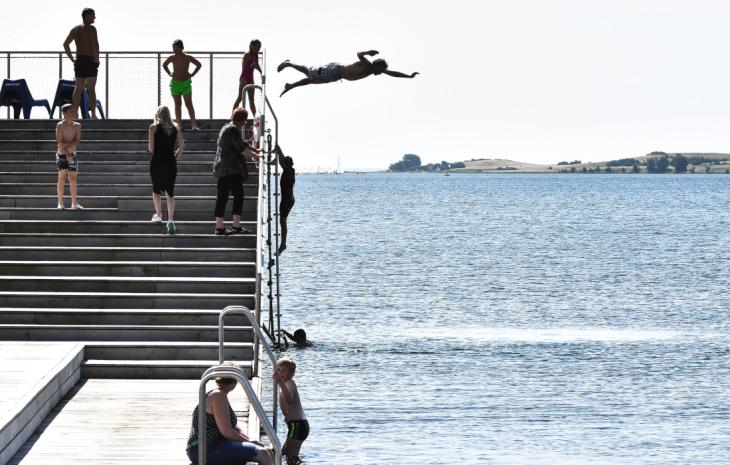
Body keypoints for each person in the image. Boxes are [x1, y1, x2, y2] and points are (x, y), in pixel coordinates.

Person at [186, 362, 273, 465]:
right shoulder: (218, 396)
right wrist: (251, 442)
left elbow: (233, 427)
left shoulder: (220, 394)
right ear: (235, 381)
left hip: (212, 445)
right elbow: (226, 431)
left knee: (267, 451)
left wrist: (251, 440)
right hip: (203, 448)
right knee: (263, 453)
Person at [277, 49, 419, 96]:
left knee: (312, 80)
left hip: (337, 76)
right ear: (376, 66)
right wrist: (368, 52)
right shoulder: (367, 64)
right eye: (380, 70)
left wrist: (408, 76)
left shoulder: (373, 71)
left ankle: (290, 85)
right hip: (335, 70)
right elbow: (359, 54)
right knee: (310, 74)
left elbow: (393, 73)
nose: (381, 73)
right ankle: (288, 64)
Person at [213, 108, 260, 235]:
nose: (244, 124)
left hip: (222, 169)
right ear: (241, 120)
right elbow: (240, 148)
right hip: (231, 169)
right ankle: (236, 225)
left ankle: (219, 227)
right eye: (244, 121)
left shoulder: (226, 127)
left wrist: (255, 151)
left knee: (222, 198)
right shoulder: (233, 129)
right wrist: (256, 156)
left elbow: (241, 143)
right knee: (239, 196)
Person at [148, 105, 185, 234]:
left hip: (157, 161)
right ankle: (170, 220)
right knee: (170, 192)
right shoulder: (175, 128)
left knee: (156, 190)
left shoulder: (153, 127)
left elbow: (151, 149)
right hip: (170, 162)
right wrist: (175, 156)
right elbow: (182, 146)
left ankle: (158, 215)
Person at [63, 8, 100, 118]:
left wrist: (73, 59)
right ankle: (93, 114)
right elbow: (95, 45)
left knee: (78, 88)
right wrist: (97, 59)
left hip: (79, 60)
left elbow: (65, 44)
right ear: (86, 16)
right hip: (89, 60)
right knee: (91, 88)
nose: (94, 17)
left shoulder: (75, 29)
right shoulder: (92, 28)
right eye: (93, 15)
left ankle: (74, 114)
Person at [273, 356, 309, 465]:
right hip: (295, 425)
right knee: (284, 453)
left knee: (291, 456)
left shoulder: (289, 383)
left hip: (297, 425)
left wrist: (280, 382)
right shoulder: (285, 383)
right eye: (279, 370)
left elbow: (289, 400)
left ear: (291, 372)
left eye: (284, 370)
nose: (281, 373)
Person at [163, 39, 202, 131]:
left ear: (181, 48)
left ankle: (194, 125)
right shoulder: (172, 57)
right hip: (175, 84)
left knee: (188, 104)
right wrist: (169, 73)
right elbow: (164, 65)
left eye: (176, 48)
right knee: (177, 105)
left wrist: (192, 74)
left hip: (185, 83)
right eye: (173, 48)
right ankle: (179, 126)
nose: (174, 50)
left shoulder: (187, 57)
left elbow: (199, 65)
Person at [55, 104, 82, 209]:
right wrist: (67, 152)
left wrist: (70, 151)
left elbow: (77, 140)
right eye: (71, 111)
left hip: (73, 154)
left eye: (73, 110)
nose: (73, 112)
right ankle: (60, 203)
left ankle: (74, 203)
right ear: (64, 113)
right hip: (62, 154)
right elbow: (59, 142)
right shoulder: (60, 125)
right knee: (61, 178)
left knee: (73, 178)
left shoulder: (77, 126)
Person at [274, 145, 295, 255]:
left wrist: (278, 150)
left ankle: (283, 243)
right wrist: (278, 150)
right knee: (282, 221)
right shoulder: (290, 170)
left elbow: (281, 160)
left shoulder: (287, 171)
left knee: (282, 221)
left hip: (286, 200)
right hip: (289, 199)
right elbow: (282, 160)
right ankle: (283, 243)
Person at [232, 40, 262, 114]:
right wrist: (251, 66)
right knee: (240, 97)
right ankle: (232, 115)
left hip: (251, 78)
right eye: (257, 47)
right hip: (244, 78)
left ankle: (255, 118)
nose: (258, 49)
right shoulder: (246, 55)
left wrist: (261, 72)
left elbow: (257, 65)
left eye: (259, 47)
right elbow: (245, 67)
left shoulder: (256, 55)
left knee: (251, 99)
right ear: (252, 46)